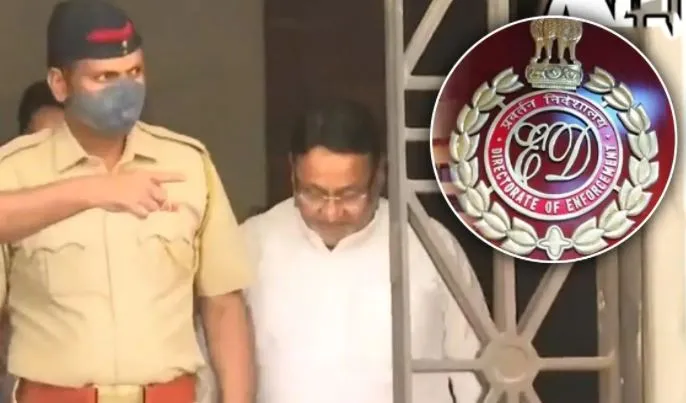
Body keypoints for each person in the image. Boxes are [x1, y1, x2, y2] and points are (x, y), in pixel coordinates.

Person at [0, 2, 255, 403]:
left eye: (134, 72)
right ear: (60, 84)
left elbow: (223, 305)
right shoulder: (14, 171)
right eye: (104, 77)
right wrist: (91, 191)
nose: (125, 88)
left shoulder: (188, 164)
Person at [235, 100, 483, 403]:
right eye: (313, 193)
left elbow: (478, 371)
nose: (331, 213)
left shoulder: (428, 243)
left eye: (349, 195)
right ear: (292, 172)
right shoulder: (253, 242)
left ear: (379, 175)